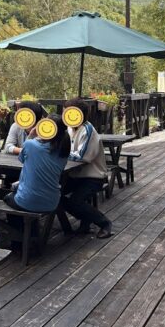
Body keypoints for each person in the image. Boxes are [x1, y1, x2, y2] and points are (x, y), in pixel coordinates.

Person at [61, 98, 113, 239]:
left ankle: (105, 224)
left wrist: (59, 152)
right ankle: (82, 223)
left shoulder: (87, 130)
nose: (64, 114)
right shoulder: (70, 128)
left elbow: (82, 156)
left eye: (67, 112)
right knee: (55, 195)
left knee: (75, 202)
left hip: (93, 177)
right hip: (75, 175)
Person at [3, 114, 71, 214]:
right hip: (52, 203)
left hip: (27, 201)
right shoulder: (63, 152)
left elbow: (22, 159)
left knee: (6, 197)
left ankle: (19, 225)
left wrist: (31, 136)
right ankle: (32, 224)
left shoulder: (31, 144)